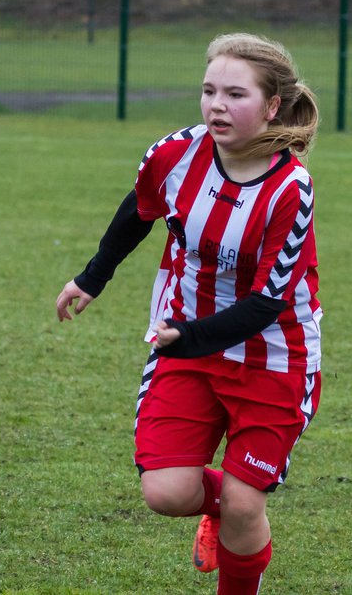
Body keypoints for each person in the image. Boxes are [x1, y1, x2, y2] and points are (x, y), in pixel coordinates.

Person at [55, 33, 322, 594]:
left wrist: (188, 337)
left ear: (273, 106)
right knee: (166, 493)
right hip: (187, 343)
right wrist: (92, 277)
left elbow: (268, 303)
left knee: (246, 504)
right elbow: (139, 210)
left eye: (235, 94)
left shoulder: (290, 189)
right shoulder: (176, 153)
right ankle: (218, 506)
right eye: (208, 91)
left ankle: (235, 524)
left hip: (272, 355)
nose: (217, 105)